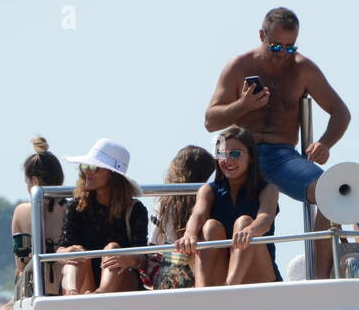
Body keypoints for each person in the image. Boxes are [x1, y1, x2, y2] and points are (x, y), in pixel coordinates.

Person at [203, 6, 351, 280]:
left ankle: (319, 280)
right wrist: (243, 105)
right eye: (276, 46)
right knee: (215, 220)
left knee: (332, 192)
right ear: (262, 35)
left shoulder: (303, 69)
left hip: (281, 156)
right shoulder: (239, 66)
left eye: (290, 48)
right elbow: (211, 120)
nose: (284, 53)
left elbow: (341, 112)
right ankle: (213, 288)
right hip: (241, 154)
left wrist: (325, 143)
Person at [177, 126, 279, 287]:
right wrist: (189, 235)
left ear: (251, 157)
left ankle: (229, 291)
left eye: (235, 154)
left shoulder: (268, 190)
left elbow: (264, 219)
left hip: (259, 276)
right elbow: (198, 215)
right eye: (222, 154)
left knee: (245, 222)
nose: (228, 160)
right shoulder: (209, 190)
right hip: (220, 276)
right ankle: (202, 295)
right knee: (210, 227)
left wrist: (249, 231)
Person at [56, 139, 148, 295]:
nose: (87, 172)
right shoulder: (76, 206)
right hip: (86, 283)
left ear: (112, 174)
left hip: (122, 283)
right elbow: (62, 248)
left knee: (113, 248)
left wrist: (128, 259)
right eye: (85, 166)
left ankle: (100, 295)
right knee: (76, 252)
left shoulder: (135, 209)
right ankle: (71, 295)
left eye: (94, 167)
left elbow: (143, 258)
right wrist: (65, 253)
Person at [142, 145, 214, 290]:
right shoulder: (212, 198)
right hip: (204, 270)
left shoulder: (164, 200)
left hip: (170, 274)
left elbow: (154, 243)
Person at [11, 136, 68, 298]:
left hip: (35, 296)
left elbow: (21, 265)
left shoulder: (21, 212)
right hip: (68, 292)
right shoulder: (74, 209)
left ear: (34, 180)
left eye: (27, 182)